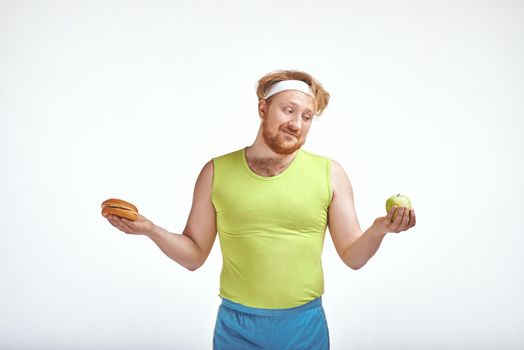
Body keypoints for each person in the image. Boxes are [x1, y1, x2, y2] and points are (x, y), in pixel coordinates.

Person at [105, 69, 417, 349]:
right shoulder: (216, 172)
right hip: (237, 326)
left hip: (303, 327)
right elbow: (194, 255)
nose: (296, 123)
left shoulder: (330, 174)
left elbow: (353, 256)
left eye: (307, 117)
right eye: (288, 110)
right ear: (263, 108)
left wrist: (379, 230)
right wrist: (150, 230)